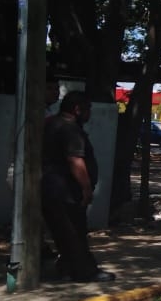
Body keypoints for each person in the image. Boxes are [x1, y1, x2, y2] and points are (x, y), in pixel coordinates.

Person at [41, 91, 115, 282]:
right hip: (65, 190)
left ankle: (66, 268)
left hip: (50, 188)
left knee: (63, 233)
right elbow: (75, 160)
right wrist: (86, 188)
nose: (90, 114)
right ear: (77, 109)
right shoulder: (69, 129)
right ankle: (84, 271)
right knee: (75, 233)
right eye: (88, 109)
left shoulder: (50, 123)